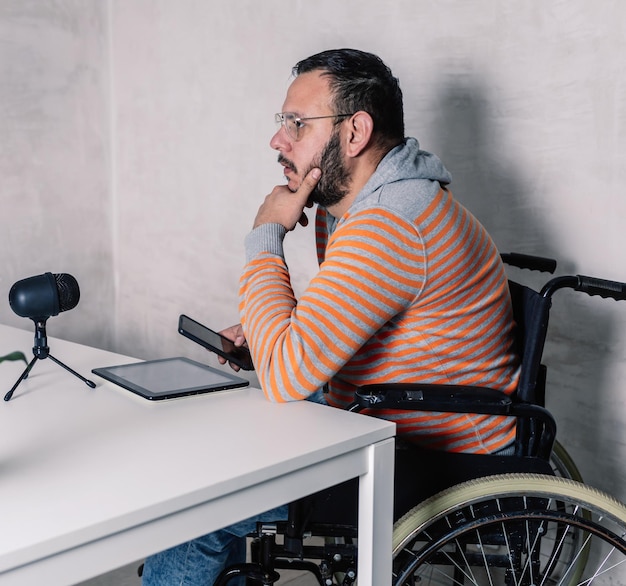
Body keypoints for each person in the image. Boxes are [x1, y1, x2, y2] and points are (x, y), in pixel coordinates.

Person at [142, 48, 520, 585]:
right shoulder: (357, 209)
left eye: (297, 124)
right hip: (381, 410)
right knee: (211, 443)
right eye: (283, 124)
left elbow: (288, 376)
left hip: (431, 454)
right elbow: (333, 327)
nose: (278, 140)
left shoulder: (388, 224)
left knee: (196, 510)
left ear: (355, 131)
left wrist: (265, 236)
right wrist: (272, 336)